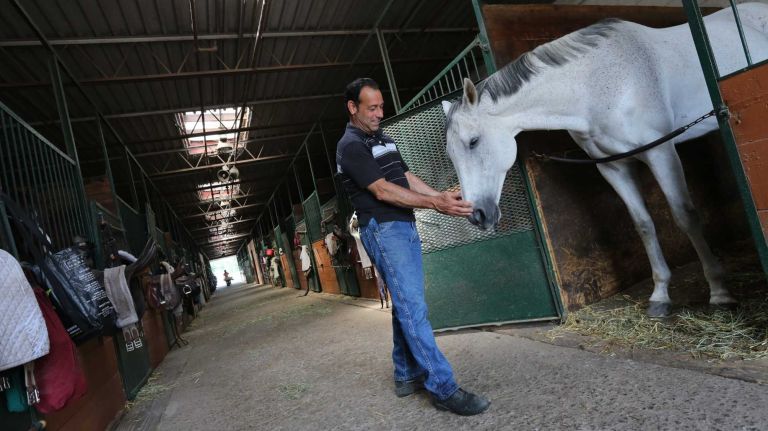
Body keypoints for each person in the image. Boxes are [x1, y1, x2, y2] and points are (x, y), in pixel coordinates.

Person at [336, 77, 490, 416]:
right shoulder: (350, 146)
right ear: (353, 108)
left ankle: (406, 374)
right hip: (384, 229)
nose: (379, 113)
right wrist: (436, 206)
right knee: (412, 308)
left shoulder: (384, 139)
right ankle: (443, 387)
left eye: (381, 106)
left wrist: (440, 196)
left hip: (403, 226)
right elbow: (382, 191)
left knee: (406, 304)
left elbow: (404, 179)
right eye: (371, 108)